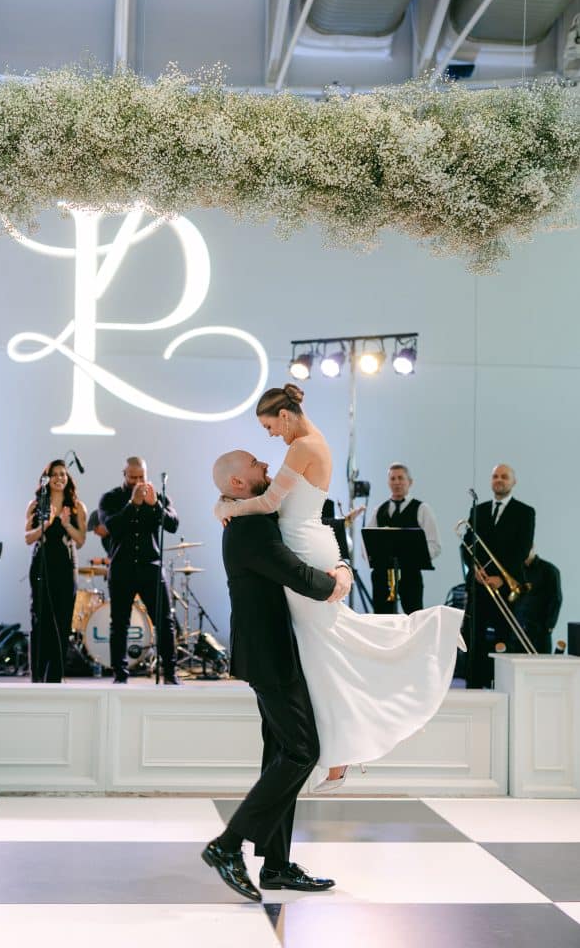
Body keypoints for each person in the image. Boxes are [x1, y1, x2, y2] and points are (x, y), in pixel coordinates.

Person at [215, 384, 464, 791]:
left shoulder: (302, 447)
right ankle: (341, 751)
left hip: (305, 545)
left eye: (268, 425)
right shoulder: (311, 442)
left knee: (327, 645)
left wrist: (224, 506)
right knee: (324, 647)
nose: (269, 437)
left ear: (285, 415)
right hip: (310, 542)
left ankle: (347, 745)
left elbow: (270, 504)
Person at [202, 449, 350, 902]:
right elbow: (300, 575)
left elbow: (313, 520)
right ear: (239, 483)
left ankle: (277, 863)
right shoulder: (247, 530)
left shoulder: (250, 515)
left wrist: (339, 558)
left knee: (283, 751)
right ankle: (227, 846)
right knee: (303, 750)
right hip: (269, 656)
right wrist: (338, 581)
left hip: (278, 651)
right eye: (255, 464)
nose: (267, 465)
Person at [98, 457, 179, 685]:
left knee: (164, 621)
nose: (136, 481)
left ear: (146, 474)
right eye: (132, 477)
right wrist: (132, 504)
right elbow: (110, 526)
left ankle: (170, 674)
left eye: (140, 477)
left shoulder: (158, 495)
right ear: (124, 474)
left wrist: (156, 506)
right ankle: (120, 676)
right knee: (119, 623)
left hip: (151, 568)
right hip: (122, 568)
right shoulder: (111, 498)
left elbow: (173, 524)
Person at [463, 463, 535, 688]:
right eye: (495, 476)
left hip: (505, 587)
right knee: (473, 638)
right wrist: (474, 569)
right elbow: (466, 544)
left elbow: (522, 549)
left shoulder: (525, 512)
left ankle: (502, 687)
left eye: (504, 476)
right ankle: (474, 687)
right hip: (479, 584)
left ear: (513, 482)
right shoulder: (479, 510)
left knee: (504, 639)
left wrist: (503, 578)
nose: (499, 480)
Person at [25, 459, 87, 683]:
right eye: (55, 474)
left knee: (62, 621)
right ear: (47, 479)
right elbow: (27, 537)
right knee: (40, 620)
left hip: (65, 565)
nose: (60, 478)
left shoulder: (77, 507)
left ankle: (55, 677)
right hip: (42, 563)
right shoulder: (36, 504)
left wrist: (67, 524)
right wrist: (49, 522)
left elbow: (80, 541)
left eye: (63, 474)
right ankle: (37, 675)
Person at [366, 462, 441, 614]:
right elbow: (367, 542)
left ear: (410, 482)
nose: (397, 482)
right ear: (388, 482)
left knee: (414, 617)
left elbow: (435, 544)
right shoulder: (379, 510)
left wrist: (418, 557)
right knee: (382, 619)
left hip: (410, 575)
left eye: (401, 478)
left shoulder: (422, 508)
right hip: (382, 576)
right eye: (393, 479)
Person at [517, 551, 562, 654]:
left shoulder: (550, 570)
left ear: (532, 547)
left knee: (541, 666)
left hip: (540, 630)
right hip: (518, 629)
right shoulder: (517, 569)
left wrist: (549, 626)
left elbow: (556, 599)